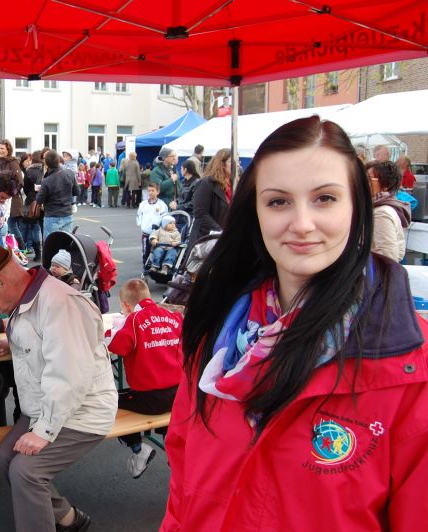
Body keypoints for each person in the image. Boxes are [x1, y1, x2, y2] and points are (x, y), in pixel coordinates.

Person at [162, 116, 428, 531]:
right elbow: (182, 484)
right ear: (254, 212)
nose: (302, 224)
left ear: (357, 207)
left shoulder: (413, 369)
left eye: (325, 198)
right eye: (278, 202)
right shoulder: (216, 337)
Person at [0, 240, 118, 532]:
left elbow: (70, 375)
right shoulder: (28, 298)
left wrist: (43, 431)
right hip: (47, 405)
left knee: (26, 472)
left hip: (82, 410)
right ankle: (68, 518)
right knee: (4, 458)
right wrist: (11, 344)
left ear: (0, 282)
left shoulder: (61, 303)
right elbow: (44, 341)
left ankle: (61, 519)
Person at [104, 279, 182, 478]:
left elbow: (115, 346)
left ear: (126, 306)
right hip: (180, 396)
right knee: (153, 397)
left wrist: (111, 329)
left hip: (151, 400)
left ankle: (139, 449)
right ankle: (173, 449)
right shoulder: (173, 316)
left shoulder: (134, 320)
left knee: (108, 400)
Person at [366, 160, 410, 262]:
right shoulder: (380, 208)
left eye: (368, 179)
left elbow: (388, 257)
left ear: (386, 185)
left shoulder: (381, 213)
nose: (362, 182)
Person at [188, 147, 230, 243]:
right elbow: (200, 213)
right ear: (222, 164)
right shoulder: (207, 183)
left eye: (238, 161)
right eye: (233, 161)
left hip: (227, 238)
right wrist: (220, 231)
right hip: (207, 239)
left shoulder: (234, 185)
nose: (237, 164)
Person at [36, 149, 79, 235]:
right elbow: (77, 192)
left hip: (52, 215)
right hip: (67, 213)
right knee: (66, 240)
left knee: (51, 241)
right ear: (59, 160)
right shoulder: (70, 174)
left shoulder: (47, 180)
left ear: (46, 163)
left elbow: (39, 200)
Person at [0, 139, 25, 249]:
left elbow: (20, 181)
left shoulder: (12, 162)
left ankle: (22, 248)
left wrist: (10, 194)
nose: (0, 150)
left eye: (2, 148)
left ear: (8, 149)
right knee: (5, 226)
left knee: (11, 225)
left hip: (12, 200)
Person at [136, 182, 168, 270]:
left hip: (157, 234)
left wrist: (158, 226)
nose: (150, 192)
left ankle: (157, 268)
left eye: (153, 190)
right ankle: (146, 268)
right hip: (145, 234)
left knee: (157, 252)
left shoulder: (162, 205)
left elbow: (164, 218)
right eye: (149, 191)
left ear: (158, 192)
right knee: (145, 252)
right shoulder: (143, 204)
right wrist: (141, 224)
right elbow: (139, 215)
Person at [20, 150, 44, 262]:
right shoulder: (45, 170)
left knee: (33, 227)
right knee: (43, 227)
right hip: (44, 201)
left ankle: (37, 253)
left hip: (31, 202)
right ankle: (45, 251)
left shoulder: (29, 171)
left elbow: (25, 188)